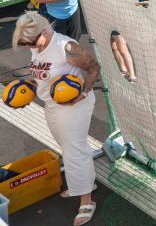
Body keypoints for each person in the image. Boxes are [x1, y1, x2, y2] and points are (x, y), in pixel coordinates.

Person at [14, 11, 100, 225]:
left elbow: (93, 68)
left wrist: (82, 93)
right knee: (68, 146)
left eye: (29, 42)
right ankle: (85, 182)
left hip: (74, 106)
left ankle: (86, 200)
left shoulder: (66, 46)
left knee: (74, 149)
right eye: (24, 43)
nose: (28, 46)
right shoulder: (36, 45)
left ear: (44, 31)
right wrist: (28, 88)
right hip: (52, 104)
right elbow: (43, 75)